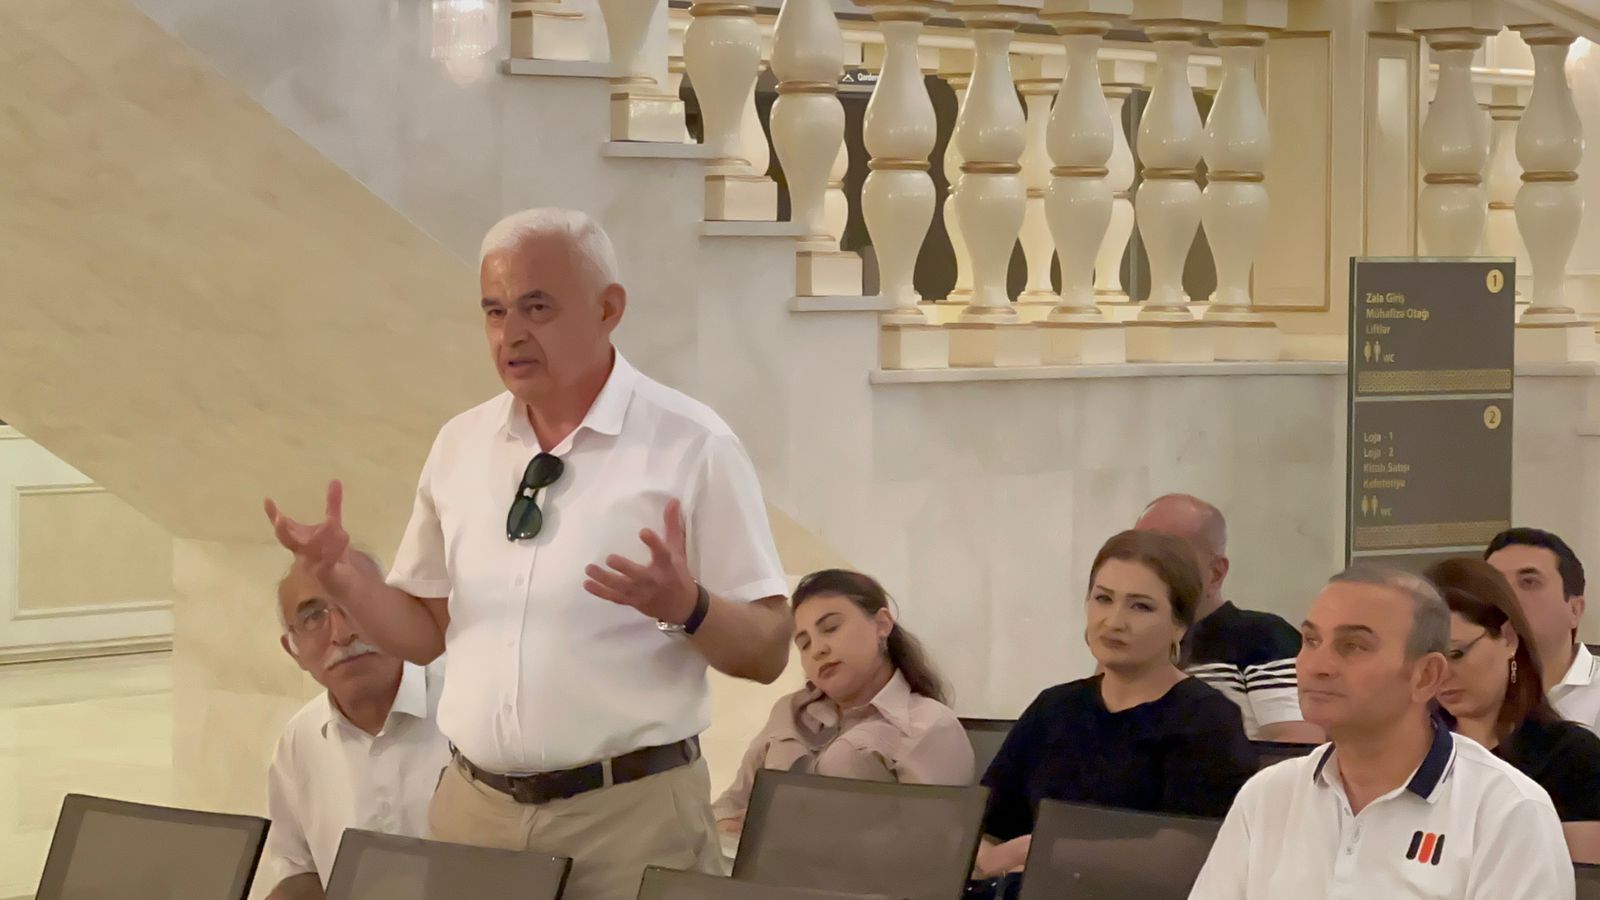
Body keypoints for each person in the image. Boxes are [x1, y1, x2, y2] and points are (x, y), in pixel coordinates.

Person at [263, 208, 792, 900]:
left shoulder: (691, 444)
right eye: (494, 310)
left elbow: (768, 650)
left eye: (536, 307)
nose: (510, 334)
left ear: (608, 309)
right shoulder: (460, 445)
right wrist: (345, 580)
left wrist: (687, 605)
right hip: (476, 815)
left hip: (629, 820)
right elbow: (425, 634)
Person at [1190, 566, 1573, 899]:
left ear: (1426, 676)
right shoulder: (1268, 795)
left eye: (1353, 646)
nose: (1318, 666)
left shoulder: (1507, 810)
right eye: (1311, 641)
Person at [973, 530, 1255, 878]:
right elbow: (985, 824)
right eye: (1103, 599)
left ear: (1179, 625)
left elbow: (1188, 851)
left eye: (1140, 606)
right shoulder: (1054, 707)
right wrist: (984, 860)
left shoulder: (1207, 718)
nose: (1114, 621)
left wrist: (1043, 851)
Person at [712, 569, 974, 835]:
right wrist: (730, 826)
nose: (818, 649)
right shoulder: (789, 713)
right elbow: (728, 807)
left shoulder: (929, 726)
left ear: (882, 624)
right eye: (804, 643)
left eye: (831, 628)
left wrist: (786, 828)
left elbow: (934, 847)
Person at [253, 553, 449, 900]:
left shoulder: (464, 710)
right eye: (313, 617)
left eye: (355, 603)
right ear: (293, 649)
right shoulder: (300, 739)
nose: (342, 634)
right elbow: (301, 872)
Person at [1426, 556, 1600, 863]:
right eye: (1428, 661)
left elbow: (1580, 880)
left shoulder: (1571, 757)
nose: (1443, 674)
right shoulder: (1413, 753)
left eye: (1456, 653)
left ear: (1508, 638)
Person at [1134, 494, 1321, 743]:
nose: (1141, 568)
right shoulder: (1132, 640)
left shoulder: (1262, 637)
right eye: (1133, 552)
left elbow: (1298, 743)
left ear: (1215, 572)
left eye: (1166, 556)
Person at [1486, 527, 1600, 732]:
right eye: (1496, 584)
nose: (1507, 596)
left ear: (1574, 610)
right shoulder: (1459, 696)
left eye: (1529, 582)